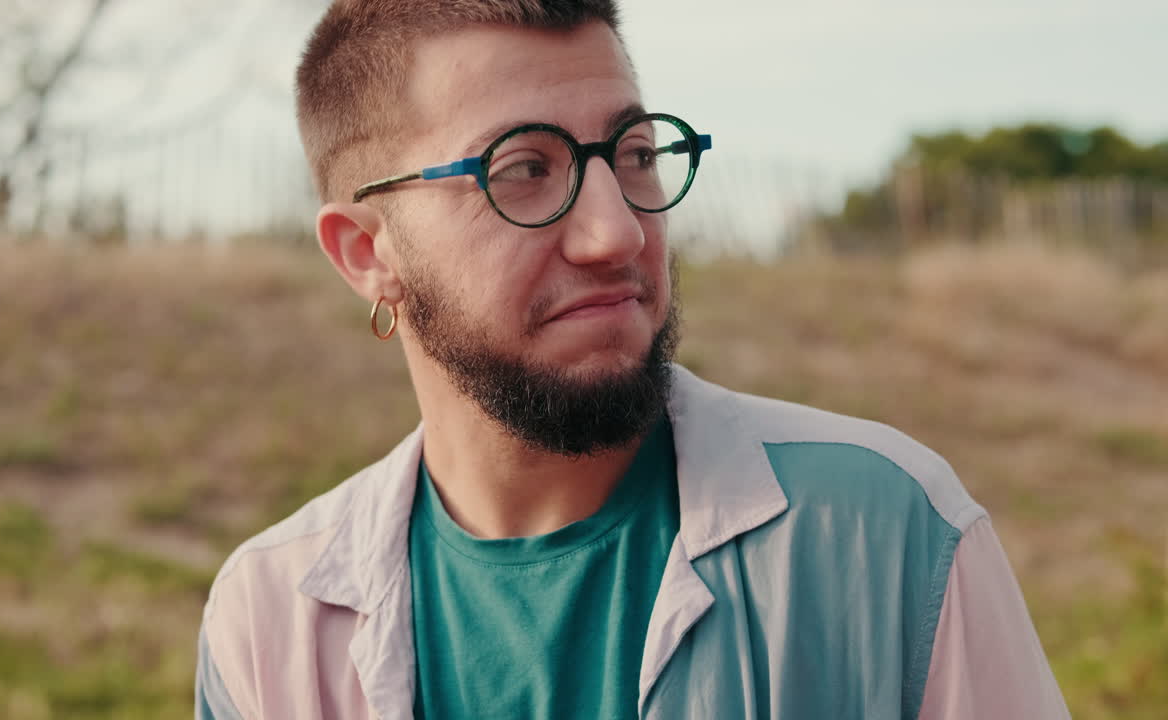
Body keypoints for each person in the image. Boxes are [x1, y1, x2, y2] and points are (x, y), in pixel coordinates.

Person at [195, 1, 1071, 718]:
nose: (617, 232)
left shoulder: (886, 538)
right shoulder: (272, 621)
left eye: (636, 153)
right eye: (525, 169)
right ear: (365, 253)